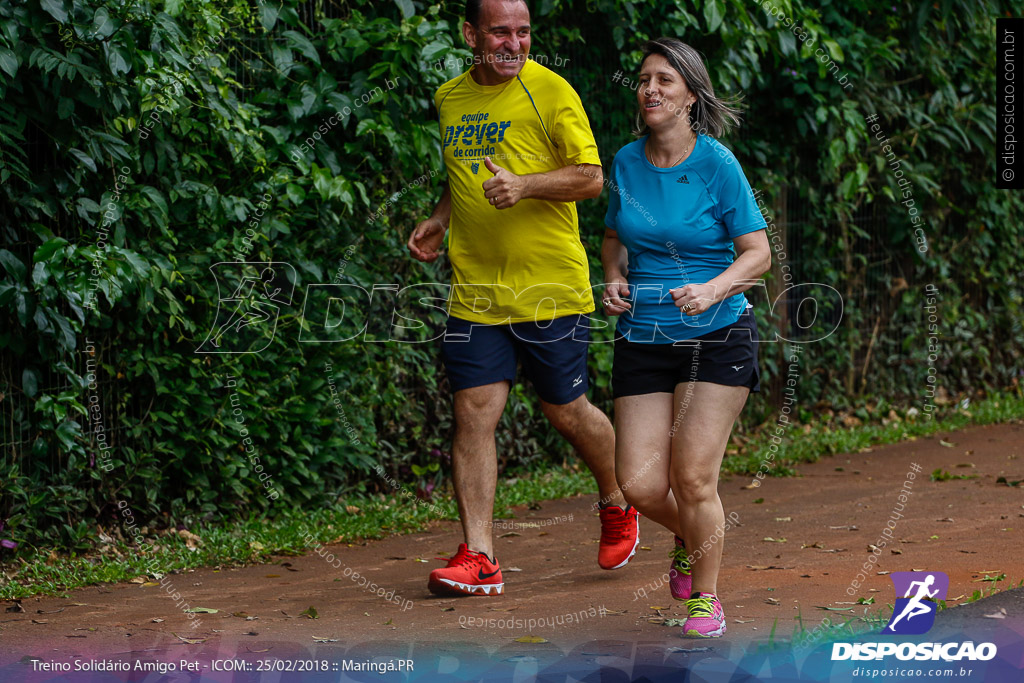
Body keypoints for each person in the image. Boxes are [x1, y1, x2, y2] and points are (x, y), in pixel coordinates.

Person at [406, 0, 639, 597]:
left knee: (565, 411)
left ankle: (617, 500)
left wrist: (526, 185)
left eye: (523, 32)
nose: (514, 44)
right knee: (473, 416)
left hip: (547, 287)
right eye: (500, 32)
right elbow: (463, 175)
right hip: (476, 291)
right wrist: (440, 217)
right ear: (470, 34)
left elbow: (591, 177)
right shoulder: (450, 98)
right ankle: (480, 556)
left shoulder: (551, 90)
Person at [601, 37, 771, 637]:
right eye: (645, 78)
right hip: (643, 336)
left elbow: (759, 254)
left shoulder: (718, 165)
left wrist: (714, 289)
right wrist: (613, 275)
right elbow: (614, 234)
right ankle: (688, 534)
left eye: (665, 80)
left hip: (717, 335)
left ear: (691, 97)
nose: (650, 88)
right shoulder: (624, 162)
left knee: (694, 477)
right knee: (641, 484)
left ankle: (706, 598)